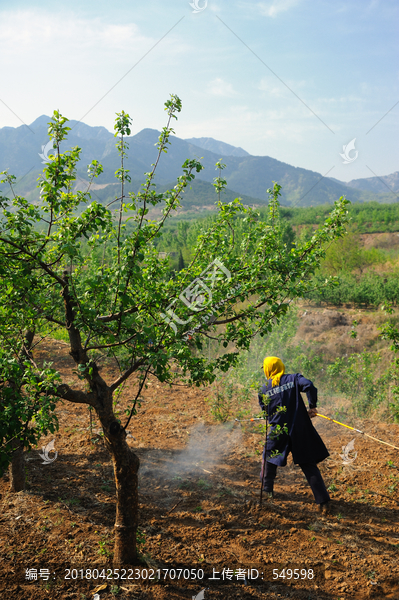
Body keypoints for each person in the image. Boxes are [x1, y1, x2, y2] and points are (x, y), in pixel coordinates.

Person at [258, 356, 331, 513]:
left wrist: (270, 416)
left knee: (268, 457)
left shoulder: (264, 387)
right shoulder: (294, 378)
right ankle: (323, 501)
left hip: (278, 430)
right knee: (308, 464)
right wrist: (312, 406)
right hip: (299, 430)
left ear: (267, 369)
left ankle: (266, 491)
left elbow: (264, 407)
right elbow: (309, 386)